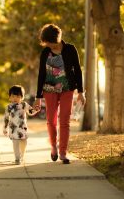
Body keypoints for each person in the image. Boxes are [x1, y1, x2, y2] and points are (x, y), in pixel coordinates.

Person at [34, 24, 86, 164]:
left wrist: (81, 92)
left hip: (67, 89)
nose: (47, 45)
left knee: (64, 121)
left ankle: (63, 152)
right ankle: (53, 147)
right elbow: (41, 74)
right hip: (48, 90)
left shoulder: (70, 49)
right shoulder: (45, 52)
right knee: (51, 121)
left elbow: (78, 71)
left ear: (56, 39)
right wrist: (38, 97)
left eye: (49, 42)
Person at [3, 85, 39, 165]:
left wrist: (35, 110)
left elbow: (30, 111)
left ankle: (22, 155)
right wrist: (5, 128)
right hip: (13, 129)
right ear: (9, 97)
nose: (15, 98)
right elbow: (6, 118)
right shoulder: (8, 107)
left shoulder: (24, 105)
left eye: (18, 96)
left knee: (24, 142)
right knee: (15, 143)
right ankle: (17, 158)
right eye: (13, 96)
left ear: (22, 97)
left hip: (23, 128)